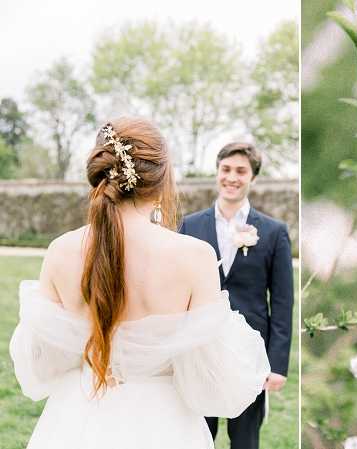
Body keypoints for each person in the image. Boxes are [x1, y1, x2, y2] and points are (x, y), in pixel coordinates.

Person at [9, 117, 270, 449]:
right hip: (166, 424)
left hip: (77, 417)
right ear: (162, 182)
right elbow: (213, 382)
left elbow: (39, 363)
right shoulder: (195, 256)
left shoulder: (61, 251)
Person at [179, 143, 294, 449]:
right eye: (226, 169)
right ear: (217, 172)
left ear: (252, 177)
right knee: (197, 435)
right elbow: (178, 289)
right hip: (200, 349)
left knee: (245, 439)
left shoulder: (273, 231)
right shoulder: (190, 225)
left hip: (250, 354)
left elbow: (282, 302)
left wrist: (277, 364)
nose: (232, 177)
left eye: (241, 171)